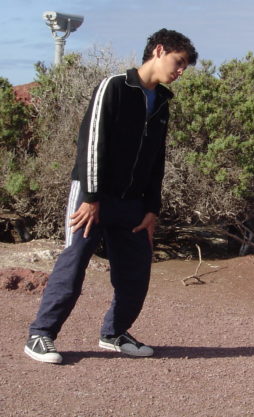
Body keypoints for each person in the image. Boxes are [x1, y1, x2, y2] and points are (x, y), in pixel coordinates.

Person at [24, 28, 198, 364]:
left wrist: (152, 208)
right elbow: (91, 142)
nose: (180, 72)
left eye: (185, 67)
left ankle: (114, 333)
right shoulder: (115, 86)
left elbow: (157, 159)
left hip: (133, 204)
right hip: (93, 198)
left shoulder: (161, 102)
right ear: (159, 51)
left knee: (136, 272)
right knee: (73, 265)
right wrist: (90, 197)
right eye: (178, 63)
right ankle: (40, 335)